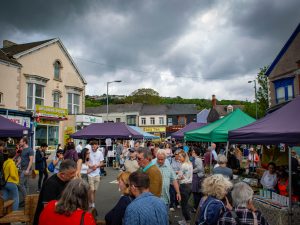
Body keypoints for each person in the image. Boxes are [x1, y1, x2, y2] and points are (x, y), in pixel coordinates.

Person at [33, 159, 77, 225]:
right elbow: (47, 208)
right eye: (72, 173)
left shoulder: (68, 180)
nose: (74, 175)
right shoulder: (51, 184)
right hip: (47, 220)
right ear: (62, 175)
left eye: (74, 172)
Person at [177, 151, 193, 225]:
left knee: (184, 204)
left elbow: (179, 177)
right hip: (189, 185)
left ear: (184, 157)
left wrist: (177, 175)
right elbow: (185, 174)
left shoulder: (183, 165)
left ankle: (187, 221)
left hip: (184, 186)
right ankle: (185, 220)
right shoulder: (190, 164)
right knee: (185, 203)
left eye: (180, 156)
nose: (179, 158)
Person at [88, 141, 104, 208]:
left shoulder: (100, 153)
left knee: (94, 190)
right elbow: (86, 161)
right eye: (92, 146)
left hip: (97, 174)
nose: (93, 148)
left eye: (94, 146)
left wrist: (97, 166)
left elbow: (102, 163)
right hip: (90, 174)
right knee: (91, 190)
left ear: (97, 146)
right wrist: (91, 166)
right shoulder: (89, 152)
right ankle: (92, 204)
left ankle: (92, 202)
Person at [191, 147, 204, 212]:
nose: (192, 152)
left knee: (196, 193)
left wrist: (191, 170)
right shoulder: (196, 159)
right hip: (197, 177)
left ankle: (196, 208)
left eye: (193, 151)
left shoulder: (197, 159)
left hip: (197, 177)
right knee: (197, 193)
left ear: (195, 153)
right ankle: (197, 207)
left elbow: (199, 168)